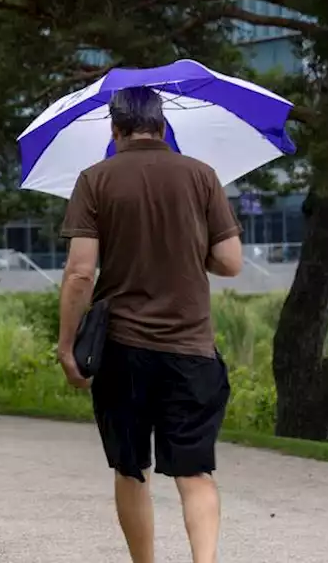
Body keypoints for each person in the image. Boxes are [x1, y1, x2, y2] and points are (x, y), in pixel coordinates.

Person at [56, 86, 243, 563]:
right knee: (195, 473)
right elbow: (230, 261)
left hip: (122, 350)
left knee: (130, 468)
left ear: (115, 130)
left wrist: (66, 346)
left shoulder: (94, 179)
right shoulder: (202, 176)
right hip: (192, 349)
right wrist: (188, 245)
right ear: (162, 127)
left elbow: (80, 272)